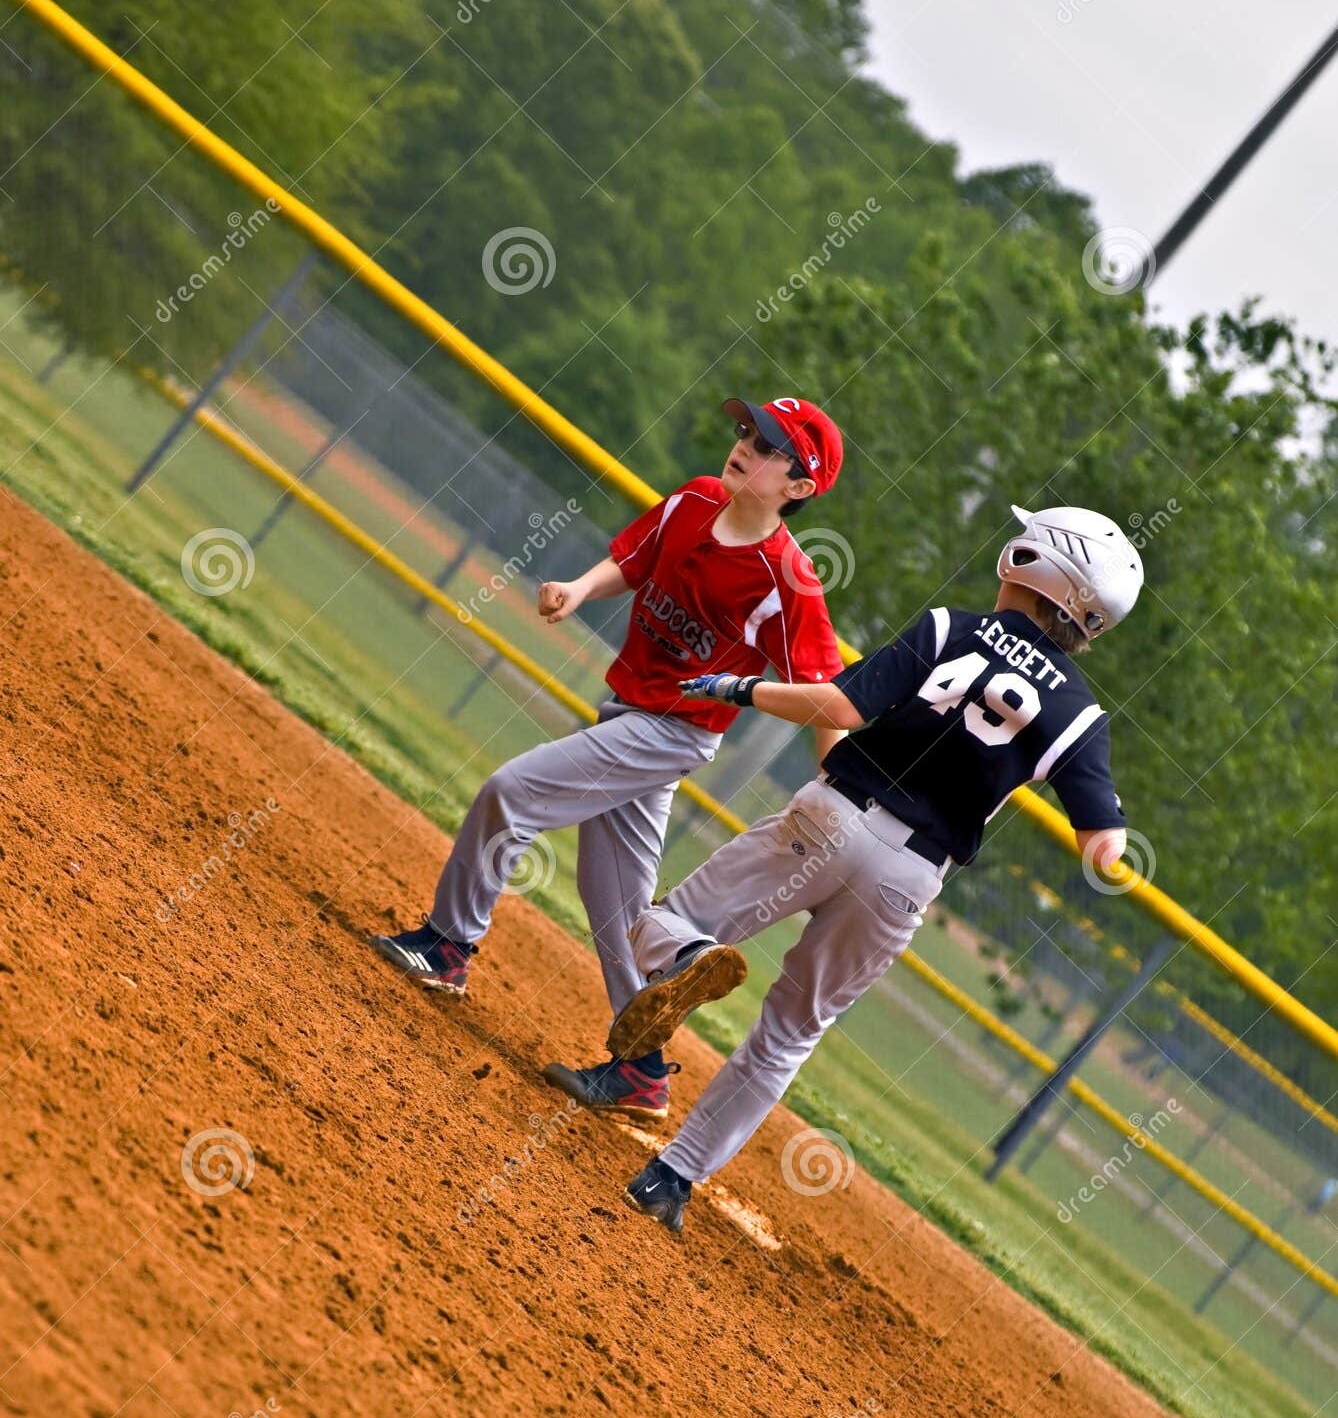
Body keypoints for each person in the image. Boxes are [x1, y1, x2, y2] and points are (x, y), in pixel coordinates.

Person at [576, 504, 1143, 1232]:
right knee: (788, 1035)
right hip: (907, 881)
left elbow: (839, 703)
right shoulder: (1079, 711)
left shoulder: (951, 628)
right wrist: (1105, 848)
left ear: (1033, 565)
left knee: (671, 921)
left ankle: (689, 957)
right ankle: (669, 1180)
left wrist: (741, 688)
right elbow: (1105, 841)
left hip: (832, 817)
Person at [373, 396, 846, 1125]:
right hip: (630, 710)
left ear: (800, 487)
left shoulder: (788, 579)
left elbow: (824, 694)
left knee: (512, 792)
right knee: (617, 906)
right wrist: (579, 589)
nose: (745, 445)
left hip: (675, 730)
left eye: (770, 446)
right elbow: (633, 559)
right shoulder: (693, 497)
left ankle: (447, 945)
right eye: (746, 431)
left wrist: (833, 786)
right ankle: (643, 1069)